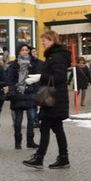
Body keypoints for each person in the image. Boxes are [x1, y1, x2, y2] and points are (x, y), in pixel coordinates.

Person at [24, 31, 71, 168]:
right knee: (57, 128)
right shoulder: (53, 55)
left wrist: (40, 77)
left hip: (54, 99)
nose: (42, 43)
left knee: (45, 127)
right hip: (53, 98)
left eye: (44, 40)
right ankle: (63, 158)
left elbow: (59, 77)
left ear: (52, 41)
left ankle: (40, 158)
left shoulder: (56, 56)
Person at [7, 42, 43, 150]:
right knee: (18, 121)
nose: (24, 52)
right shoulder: (14, 65)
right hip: (18, 95)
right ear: (18, 52)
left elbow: (37, 78)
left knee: (31, 118)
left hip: (30, 95)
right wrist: (13, 91)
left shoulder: (32, 64)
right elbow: (10, 80)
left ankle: (30, 141)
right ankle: (18, 142)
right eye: (22, 50)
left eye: (26, 50)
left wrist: (35, 91)